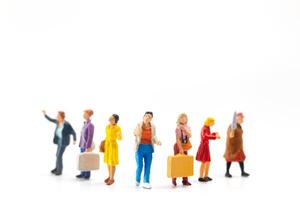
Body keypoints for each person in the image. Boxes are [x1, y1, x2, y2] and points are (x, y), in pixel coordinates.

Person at [42, 110, 76, 176]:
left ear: (61, 117)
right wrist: (45, 114)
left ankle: (59, 171)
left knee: (59, 156)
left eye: (58, 116)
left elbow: (73, 132)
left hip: (64, 142)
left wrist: (74, 139)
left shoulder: (67, 124)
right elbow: (50, 119)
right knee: (57, 155)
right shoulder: (58, 122)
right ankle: (57, 168)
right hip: (59, 141)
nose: (56, 117)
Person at [134, 112, 161, 189]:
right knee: (140, 165)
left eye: (149, 117)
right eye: (146, 116)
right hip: (139, 148)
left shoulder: (153, 126)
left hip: (149, 148)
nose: (147, 118)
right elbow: (135, 133)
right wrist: (136, 133)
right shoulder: (138, 125)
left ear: (151, 119)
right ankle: (137, 180)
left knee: (148, 165)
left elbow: (154, 136)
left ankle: (146, 181)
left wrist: (157, 141)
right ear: (143, 117)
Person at [224, 112, 250, 178]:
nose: (242, 120)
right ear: (237, 119)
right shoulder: (232, 126)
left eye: (242, 119)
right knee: (229, 159)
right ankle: (227, 172)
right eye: (241, 119)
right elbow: (230, 135)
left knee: (241, 159)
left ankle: (242, 172)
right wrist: (231, 133)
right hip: (232, 146)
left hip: (238, 146)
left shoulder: (239, 126)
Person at [196, 117, 220, 182]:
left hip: (206, 146)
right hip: (203, 146)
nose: (213, 124)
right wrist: (215, 136)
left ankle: (206, 175)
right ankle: (200, 177)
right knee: (204, 161)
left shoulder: (207, 128)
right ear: (209, 122)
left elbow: (208, 135)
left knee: (208, 161)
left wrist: (214, 134)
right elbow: (205, 136)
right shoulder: (204, 128)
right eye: (213, 122)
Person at [172, 113, 192, 187]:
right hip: (178, 146)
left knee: (185, 163)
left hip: (185, 146)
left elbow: (190, 135)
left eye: (185, 118)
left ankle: (185, 180)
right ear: (179, 119)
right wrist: (180, 148)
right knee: (176, 163)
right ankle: (174, 179)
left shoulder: (188, 127)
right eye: (182, 118)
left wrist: (185, 130)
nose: (183, 119)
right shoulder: (177, 128)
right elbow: (177, 139)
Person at [103, 114, 122, 185]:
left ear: (115, 120)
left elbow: (120, 138)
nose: (110, 120)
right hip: (107, 146)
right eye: (110, 118)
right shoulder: (107, 127)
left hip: (113, 146)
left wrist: (119, 135)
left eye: (112, 119)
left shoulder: (117, 128)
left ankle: (112, 178)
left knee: (112, 163)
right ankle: (110, 176)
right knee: (108, 162)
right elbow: (106, 136)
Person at [76, 109, 95, 180]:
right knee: (82, 159)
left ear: (89, 115)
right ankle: (82, 173)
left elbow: (90, 136)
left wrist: (88, 146)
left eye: (85, 114)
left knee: (87, 159)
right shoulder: (85, 123)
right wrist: (80, 144)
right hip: (82, 145)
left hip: (86, 146)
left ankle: (87, 174)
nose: (83, 115)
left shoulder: (91, 125)